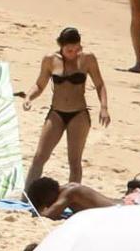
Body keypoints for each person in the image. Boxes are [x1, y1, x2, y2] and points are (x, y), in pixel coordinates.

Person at [25, 25, 109, 184]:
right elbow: (39, 85)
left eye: (76, 49)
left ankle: (73, 197)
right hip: (56, 113)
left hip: (78, 114)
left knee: (74, 161)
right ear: (61, 47)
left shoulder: (88, 59)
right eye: (69, 50)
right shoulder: (50, 60)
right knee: (39, 156)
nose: (73, 54)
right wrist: (29, 97)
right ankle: (27, 196)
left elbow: (99, 84)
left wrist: (103, 107)